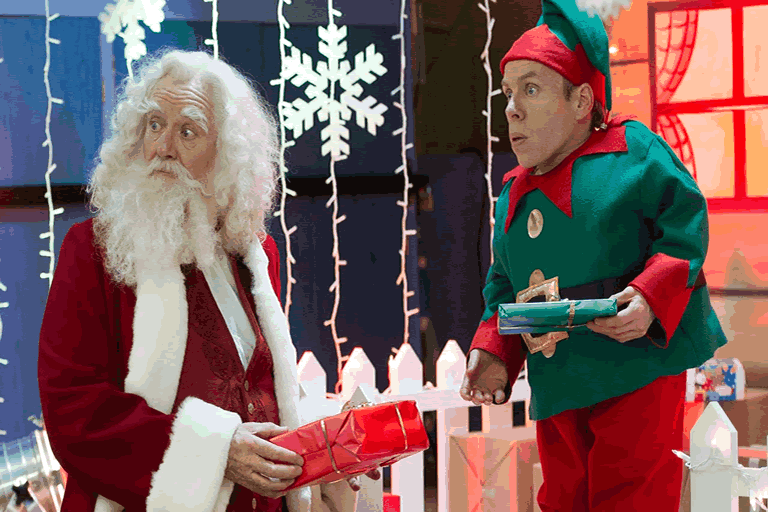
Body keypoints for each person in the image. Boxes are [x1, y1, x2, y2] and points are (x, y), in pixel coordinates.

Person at [38, 49, 376, 512]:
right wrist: (218, 452)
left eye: (188, 131)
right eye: (154, 124)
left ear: (227, 156)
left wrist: (330, 443)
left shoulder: (254, 253)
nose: (162, 147)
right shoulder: (91, 248)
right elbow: (74, 411)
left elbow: (263, 394)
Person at [459, 1, 728, 510]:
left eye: (531, 90)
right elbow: (504, 285)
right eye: (508, 93)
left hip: (635, 370)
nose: (512, 109)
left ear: (582, 100)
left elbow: (683, 232)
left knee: (631, 496)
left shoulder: (632, 151)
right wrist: (493, 349)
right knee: (563, 498)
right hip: (559, 380)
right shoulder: (513, 191)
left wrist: (648, 297)